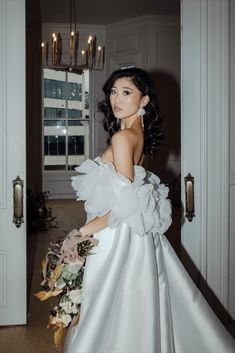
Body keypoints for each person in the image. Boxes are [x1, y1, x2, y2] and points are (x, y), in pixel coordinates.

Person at [64, 67, 235, 353]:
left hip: (114, 236)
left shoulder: (122, 139)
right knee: (135, 304)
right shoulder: (137, 135)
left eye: (127, 92)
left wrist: (79, 232)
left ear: (144, 100)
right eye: (114, 91)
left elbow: (123, 206)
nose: (117, 98)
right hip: (135, 236)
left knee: (105, 306)